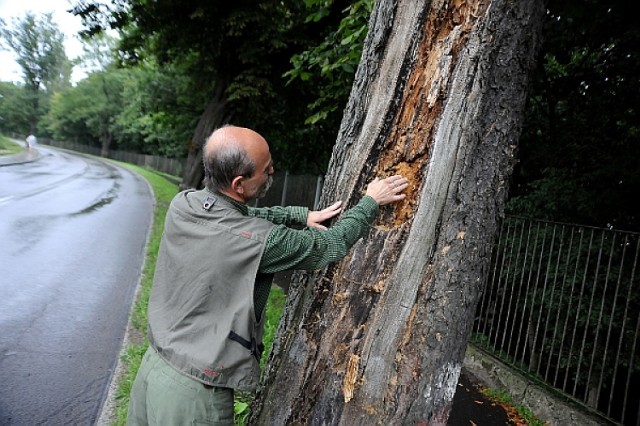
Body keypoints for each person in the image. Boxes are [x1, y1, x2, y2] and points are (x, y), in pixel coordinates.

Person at [126, 125, 409, 425]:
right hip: (194, 396)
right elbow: (328, 246)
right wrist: (370, 202)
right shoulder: (262, 242)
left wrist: (299, 216)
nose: (273, 170)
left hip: (153, 369)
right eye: (266, 169)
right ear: (239, 183)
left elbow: (239, 218)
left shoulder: (186, 204)